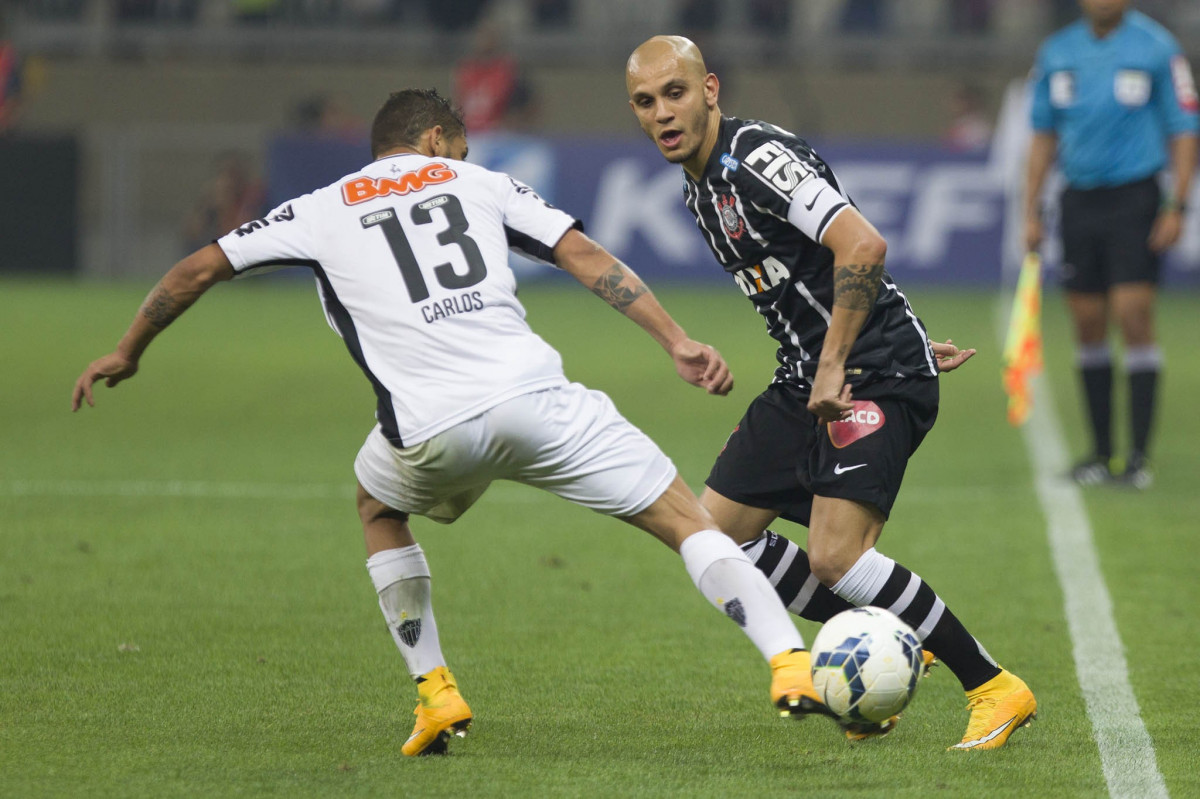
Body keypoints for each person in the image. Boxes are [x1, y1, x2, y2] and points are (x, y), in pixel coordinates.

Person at [72, 88, 865, 757]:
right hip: (538, 400)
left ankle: (436, 692)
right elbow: (589, 258)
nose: (459, 152)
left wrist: (128, 348)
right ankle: (789, 661)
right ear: (433, 138)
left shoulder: (314, 210)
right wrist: (677, 340)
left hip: (428, 428)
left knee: (378, 506)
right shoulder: (479, 182)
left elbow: (196, 267)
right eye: (456, 141)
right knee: (686, 518)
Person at [625, 36, 1036, 750]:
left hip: (868, 374)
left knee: (835, 558)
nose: (663, 112)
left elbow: (863, 245)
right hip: (809, 373)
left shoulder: (756, 160)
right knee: (711, 539)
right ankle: (903, 633)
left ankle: (994, 686)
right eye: (645, 101)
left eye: (675, 92)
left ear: (711, 89)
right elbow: (818, 277)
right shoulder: (698, 184)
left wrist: (859, 350)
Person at [1023, 0, 1198, 489]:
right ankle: (1101, 454)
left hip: (1135, 197)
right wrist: (1030, 207)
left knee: (1133, 312)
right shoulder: (1058, 52)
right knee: (1087, 322)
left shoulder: (1157, 47)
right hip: (1078, 199)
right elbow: (1042, 134)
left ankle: (1138, 457)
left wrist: (1177, 204)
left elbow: (1184, 128)